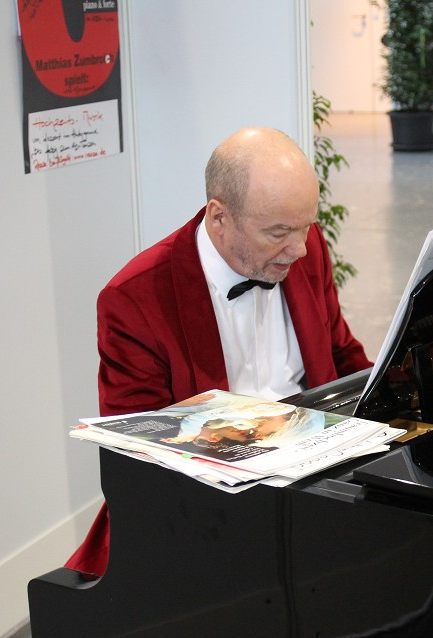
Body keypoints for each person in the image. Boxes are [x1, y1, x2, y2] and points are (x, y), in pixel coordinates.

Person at [66, 127, 372, 577]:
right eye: (278, 232)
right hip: (209, 514)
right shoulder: (136, 299)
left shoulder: (306, 249)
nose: (300, 248)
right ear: (219, 217)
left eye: (307, 226)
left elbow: (342, 356)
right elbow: (137, 458)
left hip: (314, 486)